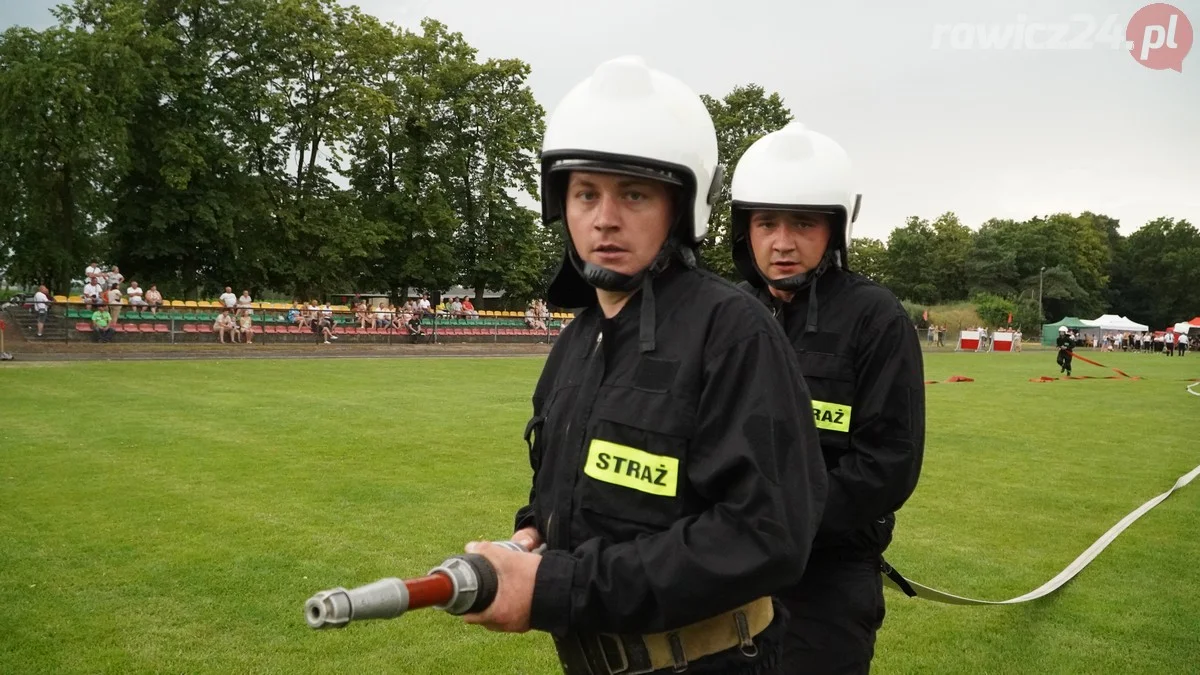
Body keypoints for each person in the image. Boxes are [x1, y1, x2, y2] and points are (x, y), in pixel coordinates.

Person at [459, 56, 828, 675]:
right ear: (562, 204)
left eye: (632, 193)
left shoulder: (734, 331)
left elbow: (767, 537)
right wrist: (532, 536)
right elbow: (574, 488)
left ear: (680, 208)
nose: (604, 217)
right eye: (585, 193)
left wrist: (557, 588)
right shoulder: (577, 340)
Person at [727, 122, 926, 673]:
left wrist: (781, 521)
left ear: (835, 229)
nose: (782, 242)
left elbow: (888, 464)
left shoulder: (875, 319)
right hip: (728, 568)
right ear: (744, 229)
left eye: (803, 224)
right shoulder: (725, 314)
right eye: (766, 223)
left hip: (829, 574)